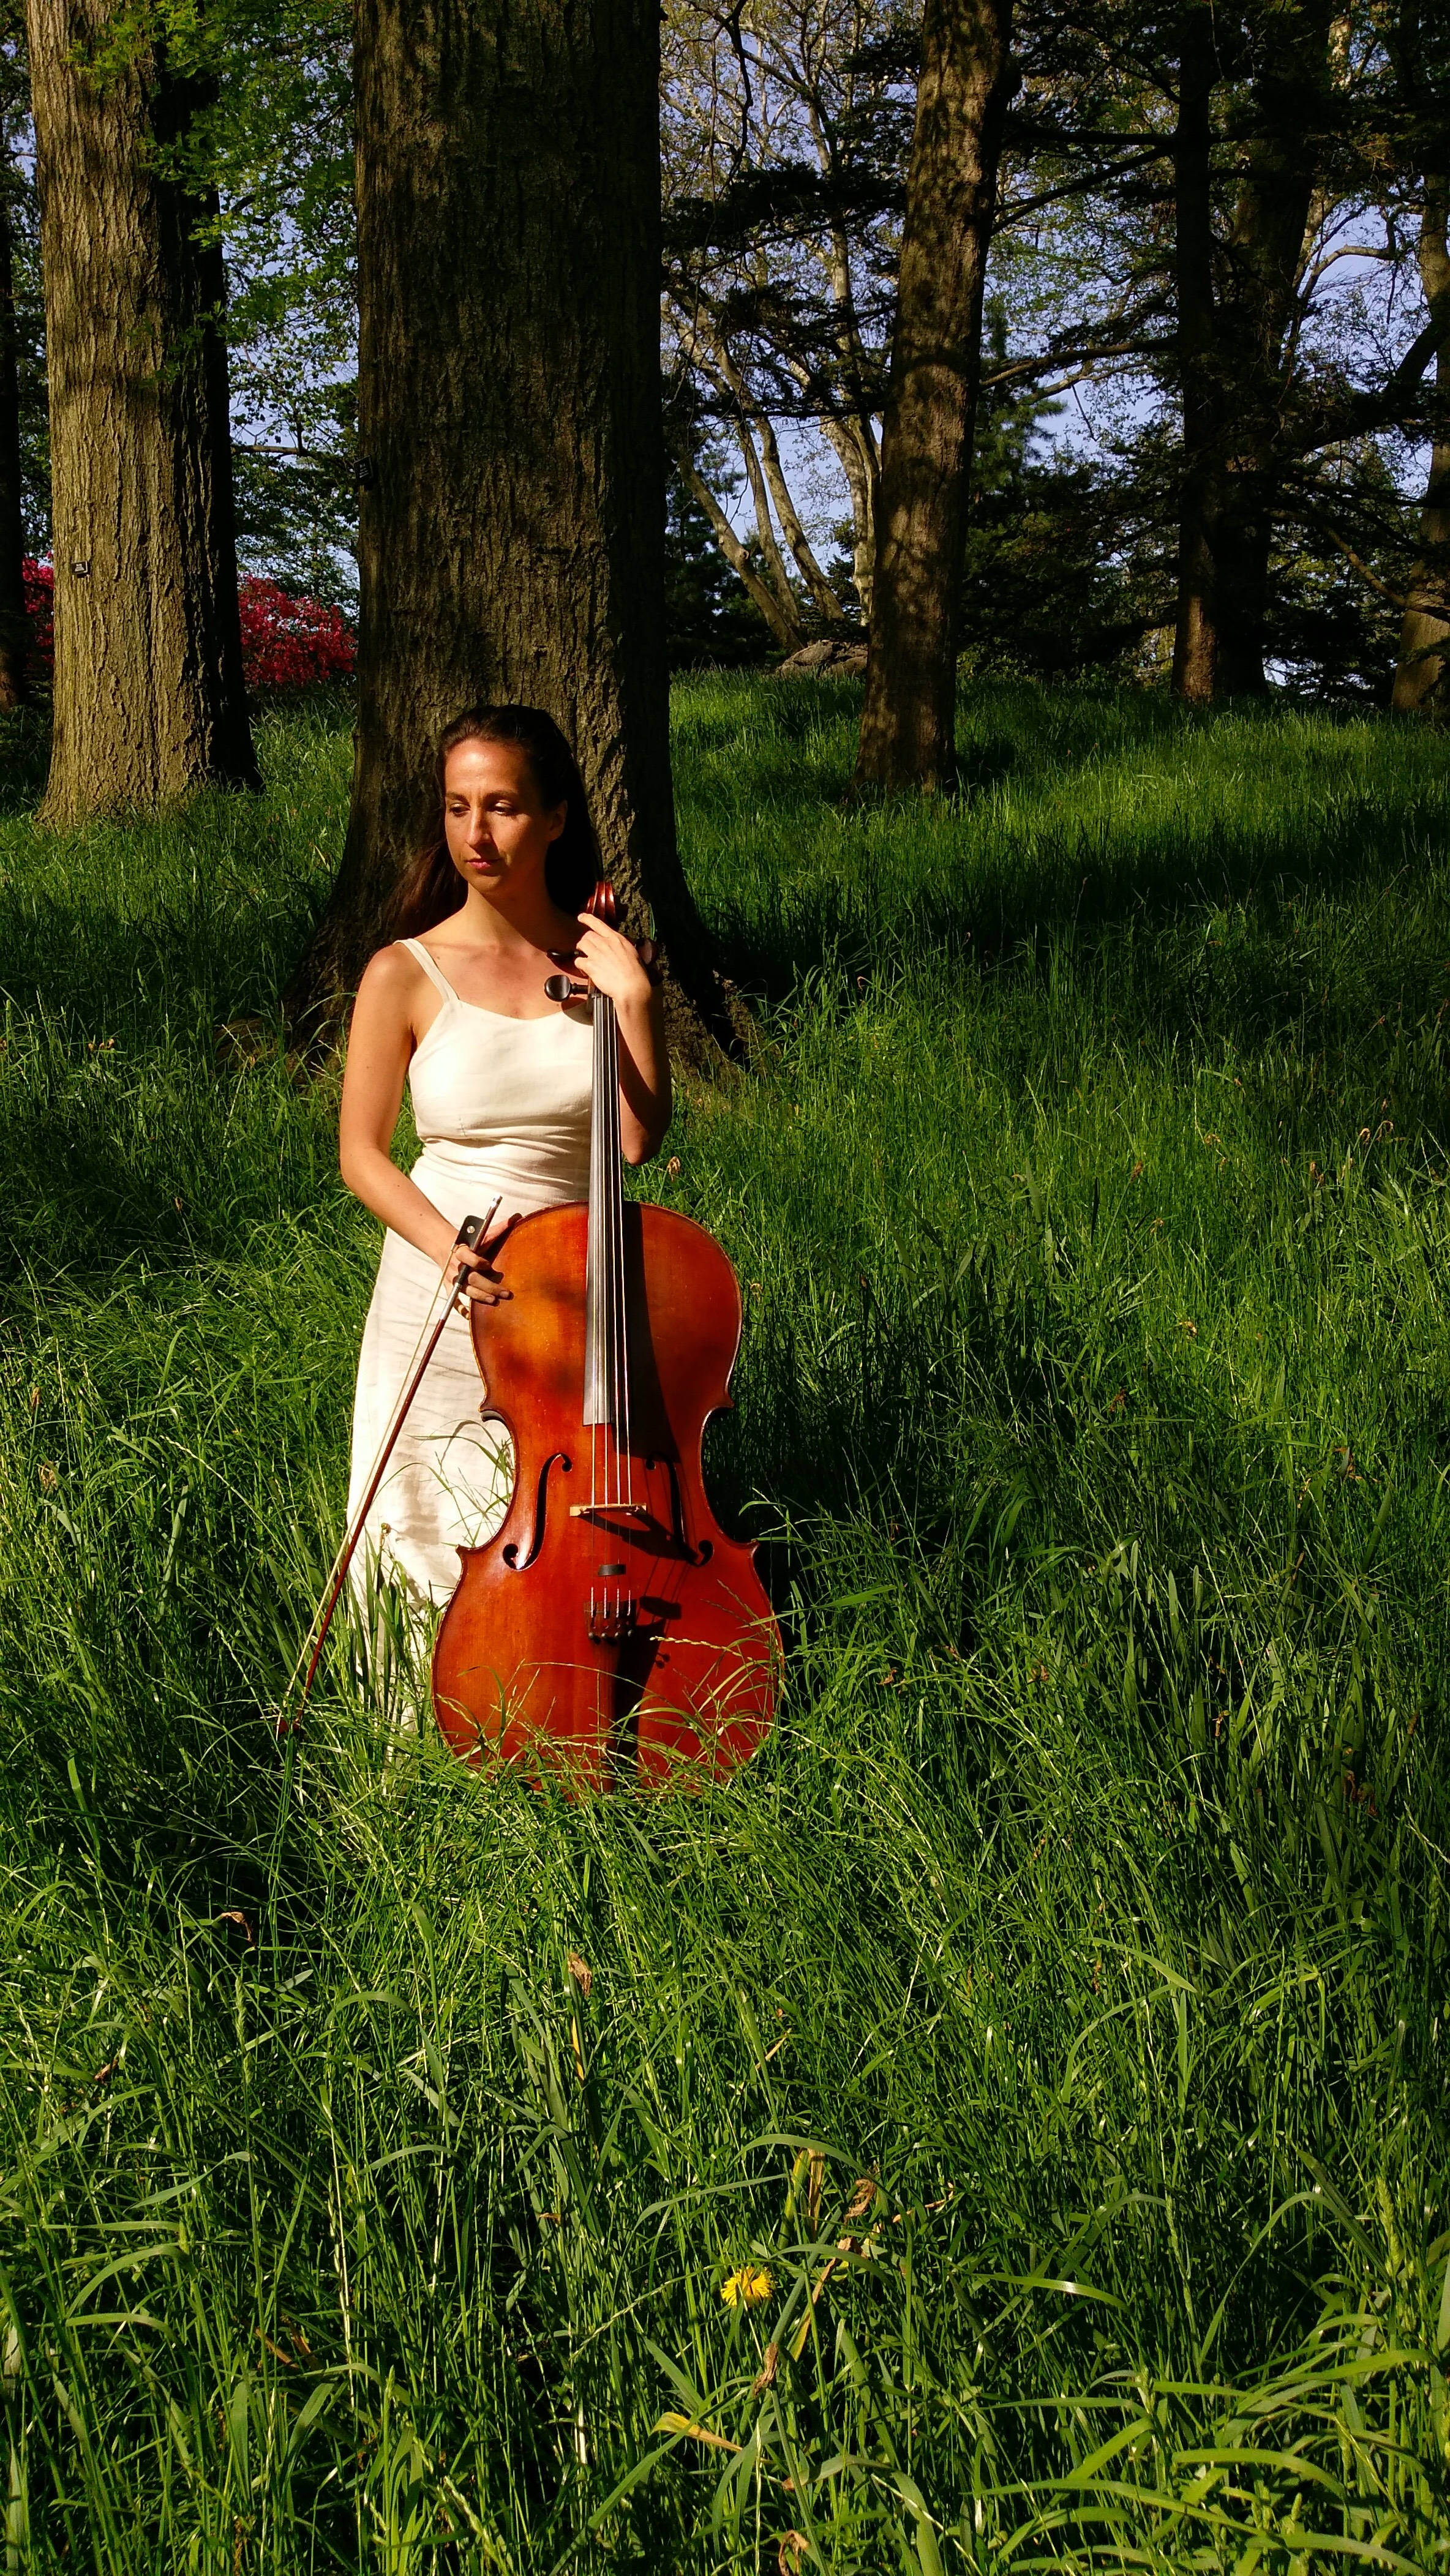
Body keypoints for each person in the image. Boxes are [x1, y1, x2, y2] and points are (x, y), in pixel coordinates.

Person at [339, 704, 670, 1619]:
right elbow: (361, 1156)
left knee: (550, 1506)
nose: (474, 834)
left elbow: (637, 1143)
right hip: (444, 1277)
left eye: (502, 807)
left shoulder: (601, 961)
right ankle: (415, 1735)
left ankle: (550, 1708)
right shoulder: (404, 971)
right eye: (456, 807)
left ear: (556, 817)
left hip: (571, 1280)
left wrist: (633, 997)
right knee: (426, 1512)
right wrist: (448, 1248)